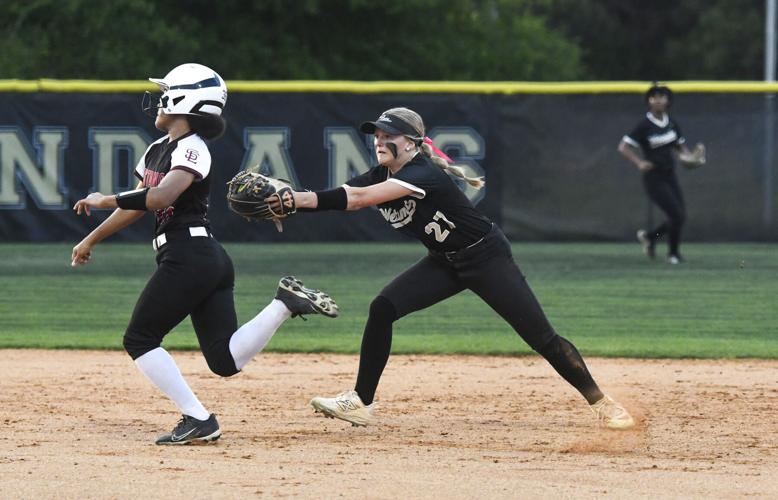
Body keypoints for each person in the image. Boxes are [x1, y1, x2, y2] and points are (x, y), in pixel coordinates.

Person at [269, 107, 634, 430]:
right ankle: (361, 403)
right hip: (444, 262)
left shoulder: (422, 173)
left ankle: (603, 404)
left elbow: (359, 199)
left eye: (388, 135)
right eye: (376, 135)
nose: (379, 141)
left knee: (541, 338)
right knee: (383, 307)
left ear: (411, 143)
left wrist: (293, 200)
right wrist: (292, 200)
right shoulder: (381, 174)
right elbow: (343, 197)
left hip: (486, 258)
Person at [71, 63, 338, 445]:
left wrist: (103, 199)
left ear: (184, 99)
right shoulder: (156, 149)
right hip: (200, 258)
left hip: (190, 255)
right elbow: (135, 205)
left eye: (167, 93)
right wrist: (91, 239)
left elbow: (162, 196)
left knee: (140, 339)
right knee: (224, 361)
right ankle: (284, 303)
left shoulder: (193, 147)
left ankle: (198, 418)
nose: (160, 100)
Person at [618, 84, 698, 264]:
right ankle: (672, 253)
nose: (658, 100)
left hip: (670, 174)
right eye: (654, 97)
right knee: (676, 215)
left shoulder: (671, 123)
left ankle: (651, 238)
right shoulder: (644, 125)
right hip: (653, 177)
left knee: (680, 216)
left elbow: (680, 147)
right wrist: (639, 162)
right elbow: (623, 147)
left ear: (668, 101)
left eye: (662, 96)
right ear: (649, 101)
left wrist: (690, 158)